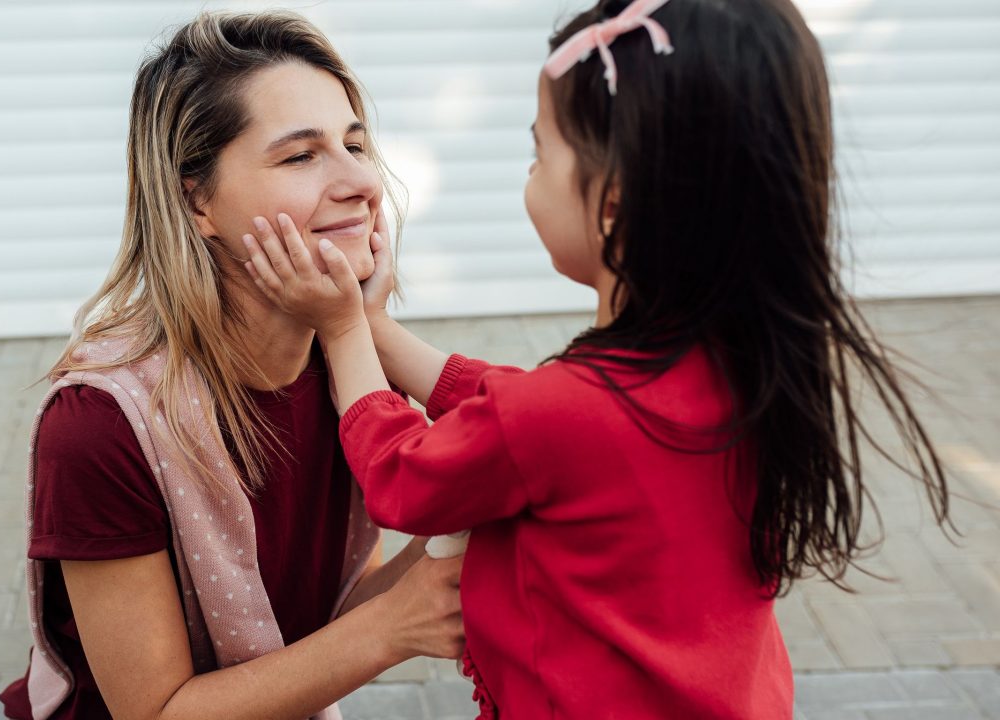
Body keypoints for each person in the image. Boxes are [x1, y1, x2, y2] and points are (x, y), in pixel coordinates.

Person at [240, 0, 952, 717]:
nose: (530, 171)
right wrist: (377, 332)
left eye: (539, 152)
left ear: (612, 201)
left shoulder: (563, 414)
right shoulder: (737, 364)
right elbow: (530, 412)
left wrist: (341, 335)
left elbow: (405, 476)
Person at [0, 11, 465, 720]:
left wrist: (461, 531)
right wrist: (393, 627)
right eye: (300, 156)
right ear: (198, 199)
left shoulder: (348, 363)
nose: (361, 182)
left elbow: (330, 608)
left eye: (355, 143)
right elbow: (155, 711)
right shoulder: (101, 425)